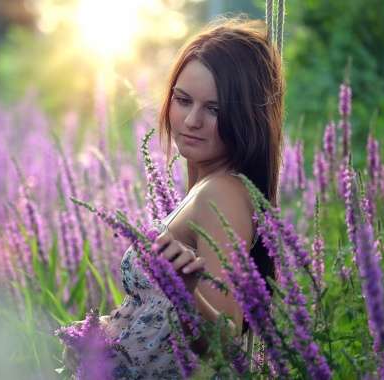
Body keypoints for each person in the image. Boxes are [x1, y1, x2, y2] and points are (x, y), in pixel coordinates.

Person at [64, 16, 283, 379]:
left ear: (245, 116)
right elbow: (155, 320)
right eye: (183, 100)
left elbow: (224, 349)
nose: (191, 120)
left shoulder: (221, 193)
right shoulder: (205, 187)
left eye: (214, 109)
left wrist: (185, 294)